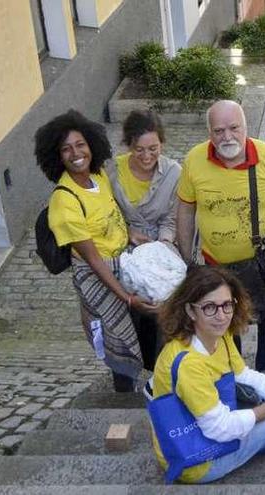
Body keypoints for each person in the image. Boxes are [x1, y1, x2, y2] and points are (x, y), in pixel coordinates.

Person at [34, 110, 157, 391]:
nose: (76, 153)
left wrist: (130, 234)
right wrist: (126, 297)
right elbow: (92, 259)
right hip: (98, 276)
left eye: (80, 145)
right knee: (118, 338)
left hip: (122, 262)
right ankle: (123, 396)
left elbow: (110, 213)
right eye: (66, 149)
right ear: (57, 156)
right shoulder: (64, 202)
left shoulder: (98, 176)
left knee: (140, 329)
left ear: (91, 145)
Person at [176, 100, 265, 371]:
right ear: (209, 132)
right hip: (216, 267)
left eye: (234, 128)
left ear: (246, 127)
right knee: (222, 329)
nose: (227, 136)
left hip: (263, 264)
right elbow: (186, 209)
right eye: (219, 130)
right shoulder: (194, 160)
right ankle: (233, 381)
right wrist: (186, 260)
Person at [151, 265, 265, 483]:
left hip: (207, 423)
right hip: (197, 461)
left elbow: (242, 374)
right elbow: (220, 429)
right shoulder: (189, 363)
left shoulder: (217, 335)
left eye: (227, 305)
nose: (221, 316)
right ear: (190, 310)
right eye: (209, 307)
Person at [107, 109, 181, 371]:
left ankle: (161, 369)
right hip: (121, 250)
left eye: (154, 148)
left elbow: (172, 218)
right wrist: (127, 232)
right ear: (128, 145)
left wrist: (161, 246)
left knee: (161, 312)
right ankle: (125, 373)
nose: (147, 156)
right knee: (123, 314)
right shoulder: (111, 172)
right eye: (140, 150)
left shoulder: (174, 172)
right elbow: (105, 214)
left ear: (162, 143)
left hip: (161, 249)